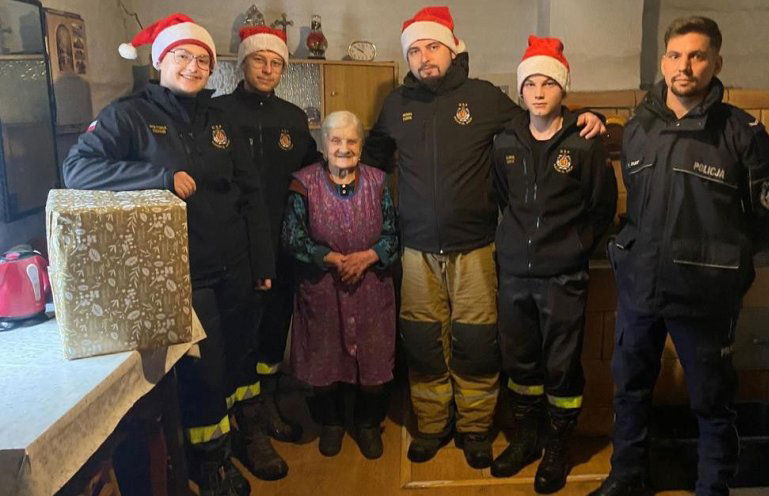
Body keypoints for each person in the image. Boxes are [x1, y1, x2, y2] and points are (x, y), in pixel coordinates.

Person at [361, 5, 605, 469]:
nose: (424, 57)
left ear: (452, 49)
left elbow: (540, 120)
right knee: (423, 341)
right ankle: (432, 424)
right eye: (415, 50)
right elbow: (372, 163)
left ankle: (475, 427)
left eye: (433, 46)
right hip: (416, 249)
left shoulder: (485, 98)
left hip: (475, 247)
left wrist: (586, 116)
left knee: (475, 342)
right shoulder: (395, 106)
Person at [62, 13, 275, 495]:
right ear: (160, 60)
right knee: (205, 371)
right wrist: (158, 180)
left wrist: (262, 262)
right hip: (182, 274)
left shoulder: (218, 118)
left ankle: (245, 435)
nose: (194, 66)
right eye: (183, 56)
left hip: (235, 265)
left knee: (241, 357)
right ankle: (210, 460)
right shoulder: (128, 116)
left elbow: (250, 192)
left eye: (203, 60)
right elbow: (77, 170)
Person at [589, 16, 769, 496]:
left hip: (705, 295)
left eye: (697, 56)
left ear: (716, 62)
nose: (685, 66)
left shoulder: (741, 133)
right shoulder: (639, 128)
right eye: (676, 55)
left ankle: (712, 487)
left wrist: (726, 262)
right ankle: (627, 477)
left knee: (712, 401)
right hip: (641, 285)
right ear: (663, 62)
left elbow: (768, 217)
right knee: (630, 389)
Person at [490, 35, 617, 494]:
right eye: (530, 84)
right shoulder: (505, 141)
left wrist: (575, 246)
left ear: (563, 88)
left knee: (561, 367)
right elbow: (501, 197)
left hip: (563, 277)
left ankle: (557, 447)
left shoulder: (584, 143)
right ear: (520, 91)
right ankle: (527, 438)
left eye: (548, 83)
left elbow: (603, 206)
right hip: (515, 274)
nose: (539, 92)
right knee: (520, 362)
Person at [214, 25, 323, 463]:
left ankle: (269, 401)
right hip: (233, 246)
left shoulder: (293, 118)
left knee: (274, 328)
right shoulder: (218, 113)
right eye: (260, 60)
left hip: (281, 242)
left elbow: (312, 167)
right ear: (243, 63)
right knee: (239, 333)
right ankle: (246, 420)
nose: (267, 69)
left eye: (276, 63)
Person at [282, 110, 398, 460]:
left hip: (371, 287)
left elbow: (393, 235)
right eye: (335, 140)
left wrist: (368, 256)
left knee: (374, 361)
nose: (343, 148)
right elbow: (292, 238)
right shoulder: (303, 183)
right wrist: (331, 258)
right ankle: (330, 423)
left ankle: (367, 424)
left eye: (351, 141)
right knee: (323, 359)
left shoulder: (379, 182)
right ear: (324, 144)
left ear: (361, 146)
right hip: (322, 289)